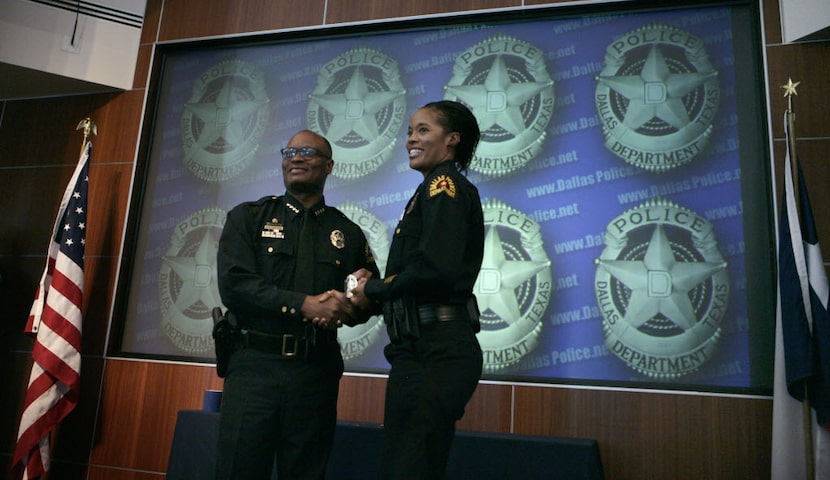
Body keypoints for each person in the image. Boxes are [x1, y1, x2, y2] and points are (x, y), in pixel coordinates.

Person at [214, 129, 379, 480]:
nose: (297, 158)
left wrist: (352, 302)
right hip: (255, 367)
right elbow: (235, 286)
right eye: (289, 151)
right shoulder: (248, 217)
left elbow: (365, 301)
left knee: (305, 473)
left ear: (329, 165)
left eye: (308, 152)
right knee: (238, 470)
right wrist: (304, 305)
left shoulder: (346, 232)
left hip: (315, 371)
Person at [348, 100, 485, 479]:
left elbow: (434, 269)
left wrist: (372, 289)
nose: (411, 138)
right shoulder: (431, 189)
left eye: (423, 130)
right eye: (410, 131)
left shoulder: (444, 186)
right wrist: (365, 297)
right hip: (423, 347)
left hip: (434, 352)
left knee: (408, 467)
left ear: (451, 140)